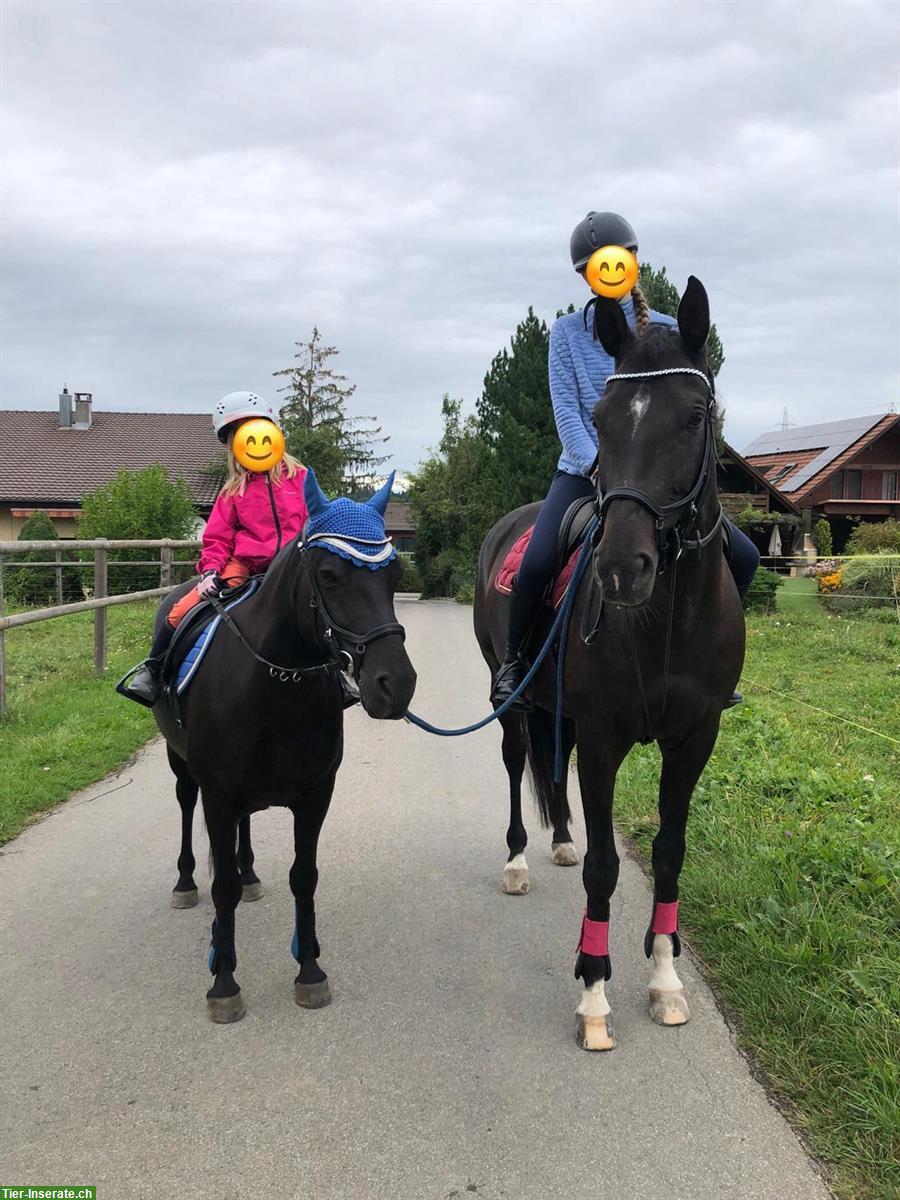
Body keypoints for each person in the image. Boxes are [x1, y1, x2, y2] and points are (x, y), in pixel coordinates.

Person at [490, 211, 759, 710]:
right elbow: (567, 412)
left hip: (654, 478)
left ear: (633, 263)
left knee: (744, 556)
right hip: (586, 471)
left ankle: (713, 666)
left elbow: (689, 408)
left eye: (617, 261)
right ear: (585, 274)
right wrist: (600, 469)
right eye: (596, 265)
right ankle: (514, 665)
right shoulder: (566, 334)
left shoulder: (672, 332)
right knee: (536, 563)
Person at [119, 391, 307, 706]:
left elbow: (317, 519)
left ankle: (339, 675)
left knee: (326, 610)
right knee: (181, 610)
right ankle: (154, 671)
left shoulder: (300, 480)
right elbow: (218, 537)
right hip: (245, 566)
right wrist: (209, 571)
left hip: (293, 566)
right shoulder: (233, 491)